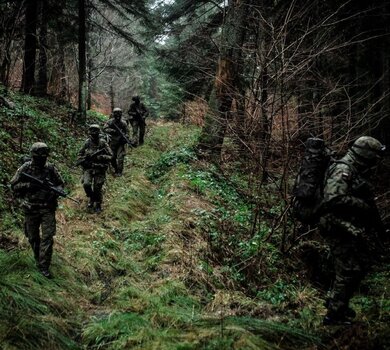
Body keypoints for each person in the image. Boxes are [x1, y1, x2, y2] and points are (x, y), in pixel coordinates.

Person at [319, 136, 386, 325]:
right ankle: (334, 315)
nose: (376, 161)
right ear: (365, 154)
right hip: (335, 225)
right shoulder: (344, 169)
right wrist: (361, 205)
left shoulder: (353, 170)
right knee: (348, 270)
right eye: (374, 156)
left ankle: (336, 302)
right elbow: (333, 199)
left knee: (357, 266)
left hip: (343, 225)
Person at [10, 142, 64, 278]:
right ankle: (38, 258)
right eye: (39, 157)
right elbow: (13, 185)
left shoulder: (50, 168)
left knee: (48, 237)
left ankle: (44, 266)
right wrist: (29, 185)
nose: (42, 159)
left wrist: (56, 192)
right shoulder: (25, 168)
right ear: (33, 156)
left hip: (47, 208)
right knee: (33, 237)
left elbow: (60, 183)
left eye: (44, 157)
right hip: (30, 208)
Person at [77, 124, 113, 213]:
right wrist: (84, 160)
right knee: (86, 184)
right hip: (88, 168)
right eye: (92, 132)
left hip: (100, 168)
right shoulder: (87, 142)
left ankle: (98, 203)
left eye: (95, 132)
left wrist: (101, 157)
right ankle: (92, 198)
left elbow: (111, 155)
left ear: (98, 133)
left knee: (97, 187)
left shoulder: (103, 143)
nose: (93, 134)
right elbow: (79, 155)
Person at [103, 107, 129, 176]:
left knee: (120, 158)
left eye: (119, 113)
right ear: (113, 114)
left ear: (121, 114)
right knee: (112, 157)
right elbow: (105, 128)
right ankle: (116, 169)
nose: (117, 115)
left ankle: (119, 172)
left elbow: (127, 132)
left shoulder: (123, 123)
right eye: (116, 113)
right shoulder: (110, 122)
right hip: (112, 142)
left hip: (120, 143)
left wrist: (125, 138)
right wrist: (113, 131)